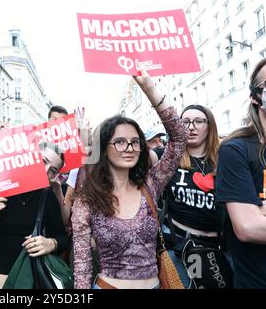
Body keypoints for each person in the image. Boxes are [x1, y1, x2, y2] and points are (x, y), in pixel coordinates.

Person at [72, 71, 189, 289]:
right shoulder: (88, 198)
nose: (130, 148)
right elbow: (82, 264)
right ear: (104, 150)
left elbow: (180, 138)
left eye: (135, 142)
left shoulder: (151, 183)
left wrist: (149, 90)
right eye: (120, 142)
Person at [0, 142, 69, 289]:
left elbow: (63, 238)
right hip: (0, 284)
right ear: (29, 157)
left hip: (34, 283)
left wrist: (51, 244)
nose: (45, 170)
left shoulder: (47, 197)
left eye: (53, 170)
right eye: (43, 161)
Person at [216, 56, 266, 288]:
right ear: (255, 97)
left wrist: (263, 209)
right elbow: (248, 227)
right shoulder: (235, 150)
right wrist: (256, 215)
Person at [153, 105, 222, 288]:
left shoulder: (226, 158)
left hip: (219, 249)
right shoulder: (166, 157)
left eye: (198, 121)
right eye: (185, 122)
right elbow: (135, 157)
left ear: (210, 126)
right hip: (181, 245)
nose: (191, 127)